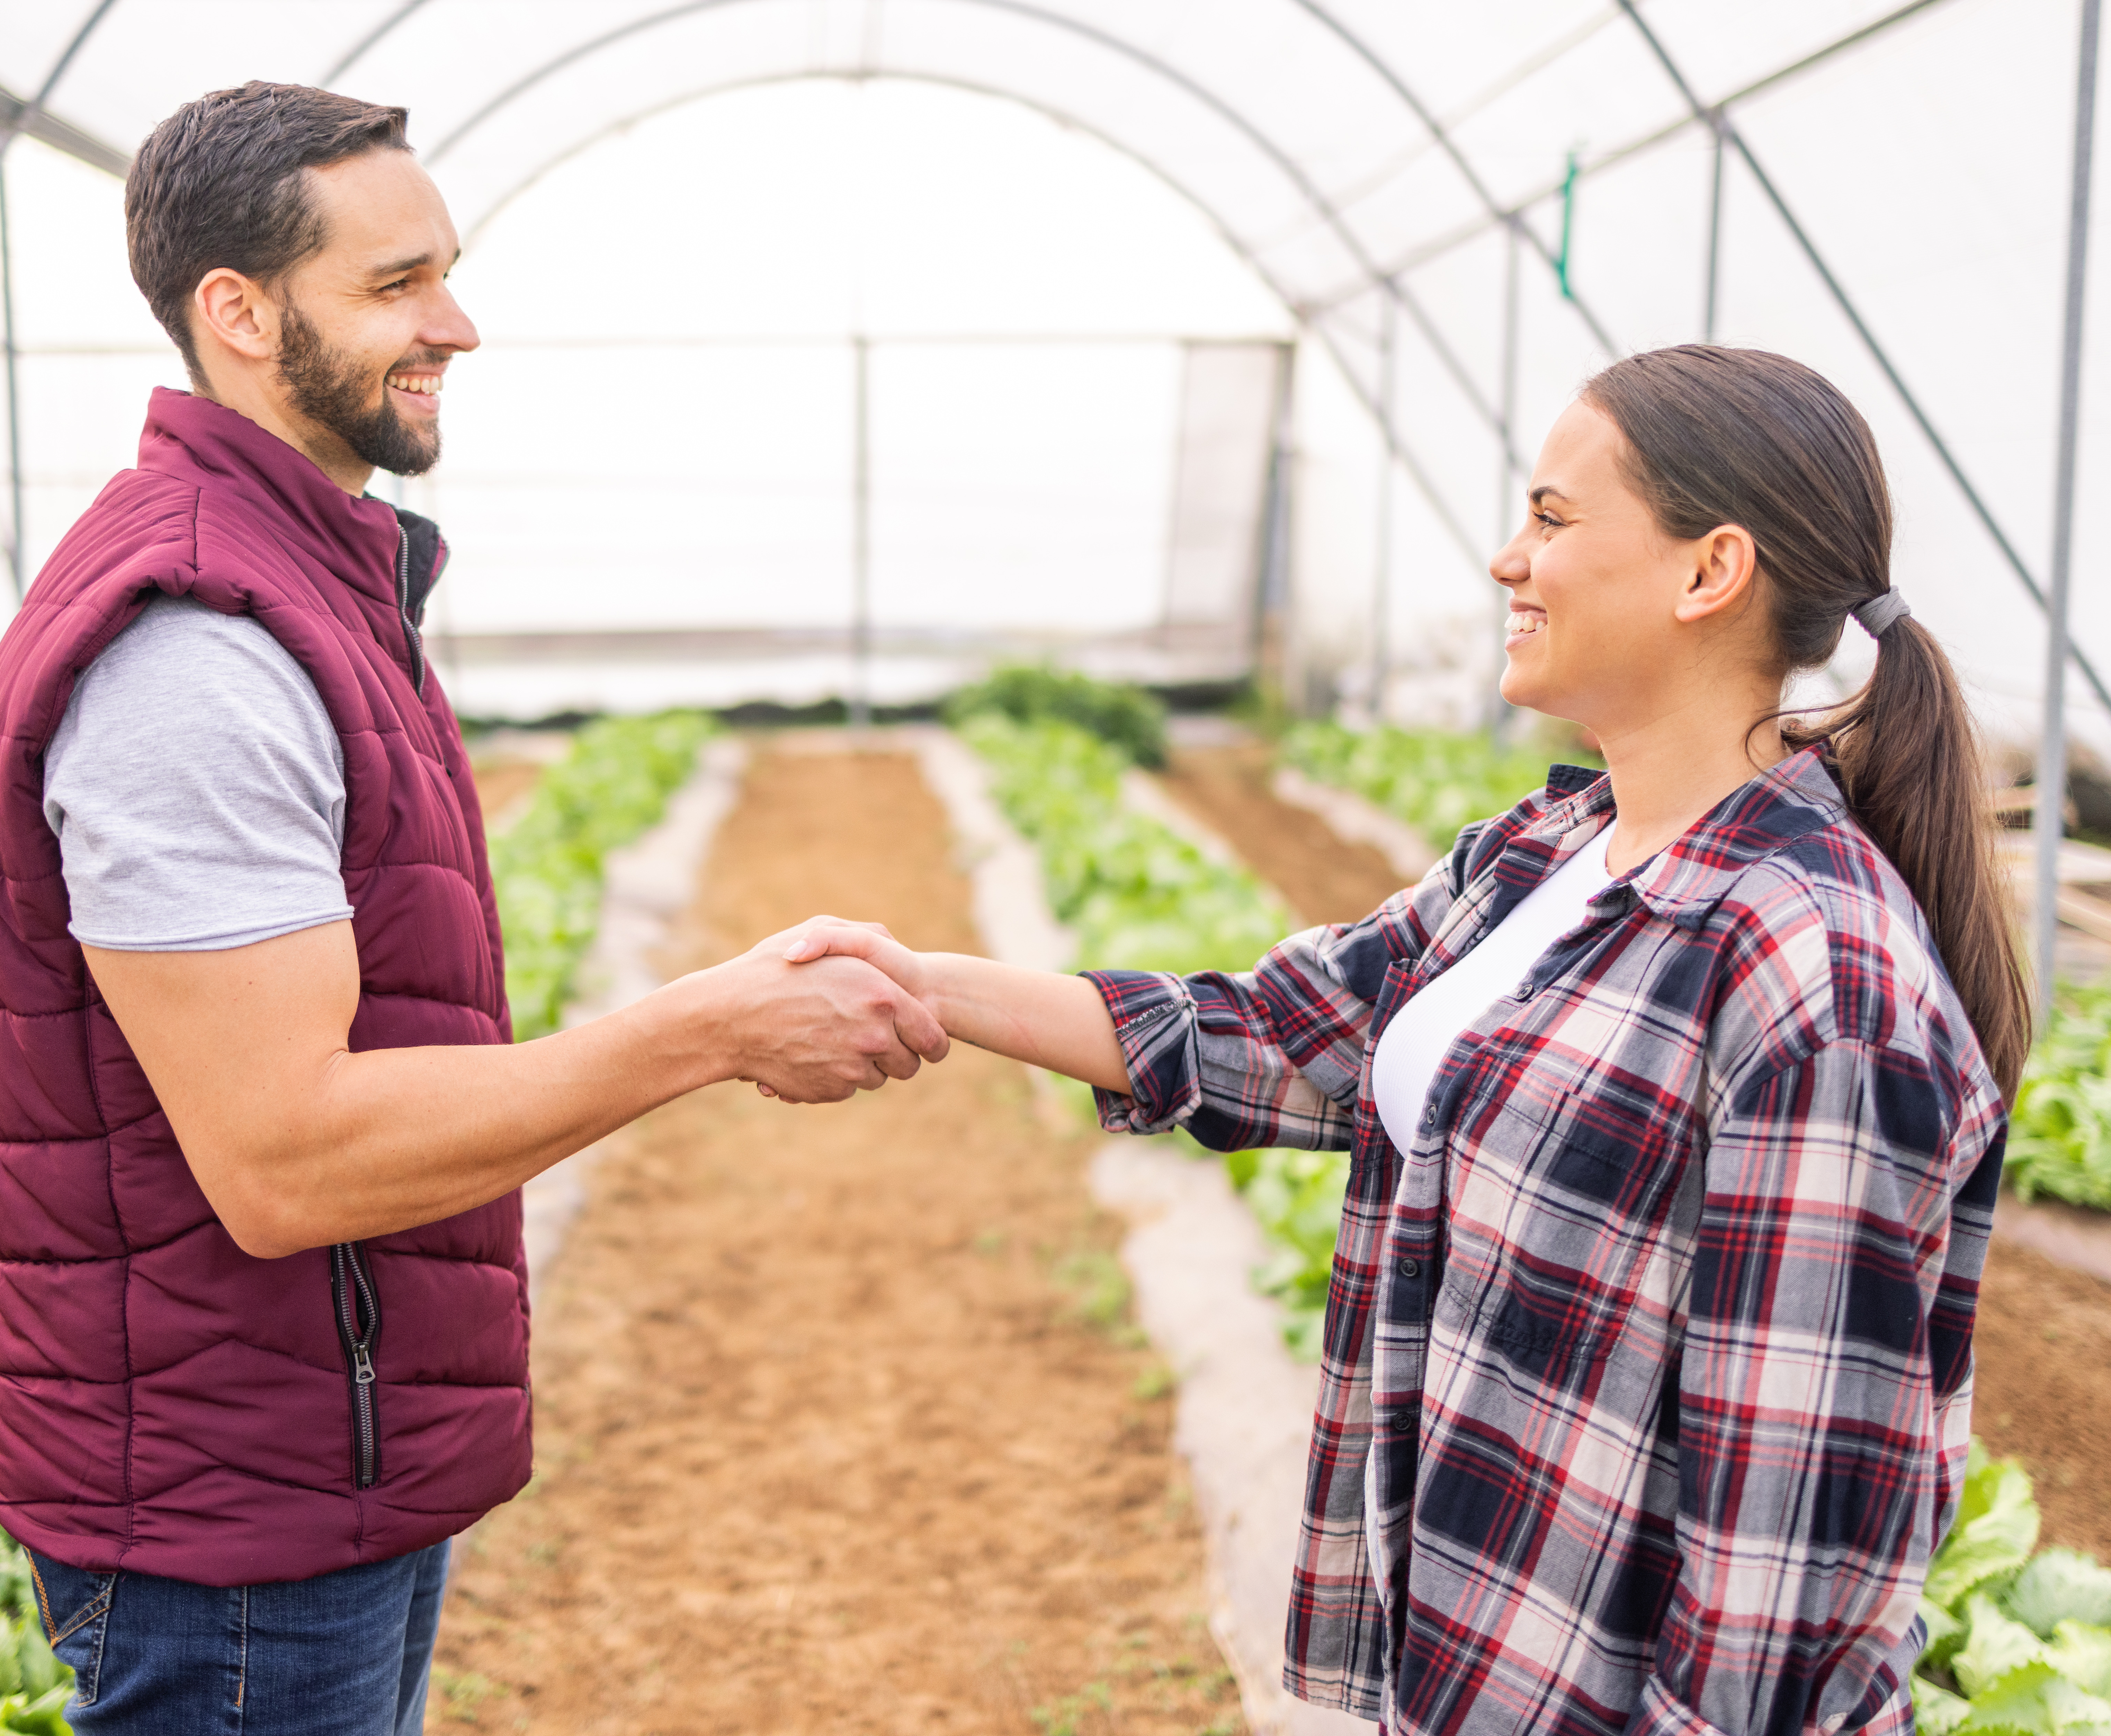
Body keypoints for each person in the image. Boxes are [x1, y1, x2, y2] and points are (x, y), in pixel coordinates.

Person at [785, 346, 2023, 1735]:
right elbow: (1274, 1036)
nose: (1509, 561)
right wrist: (921, 983)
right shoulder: (1542, 855)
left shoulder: (1817, 984)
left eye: (1553, 520)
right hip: (1461, 1666)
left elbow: (1778, 1581)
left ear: (1706, 571)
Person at [0, 82, 946, 1736]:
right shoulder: (197, 652)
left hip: (309, 1467)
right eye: (396, 283)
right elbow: (289, 1160)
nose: (456, 324)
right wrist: (705, 1027)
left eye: (449, 271)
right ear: (240, 314)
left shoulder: (312, 585)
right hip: (234, 1526)